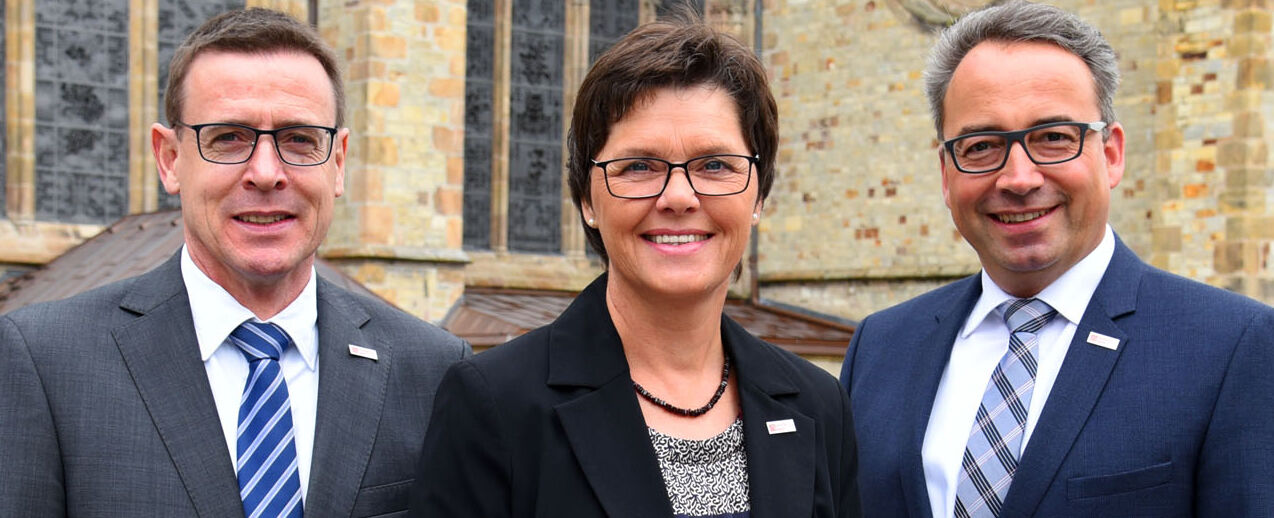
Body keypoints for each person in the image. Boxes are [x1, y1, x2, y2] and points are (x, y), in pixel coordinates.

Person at [0, 8, 469, 517]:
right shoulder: (46, 364)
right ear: (170, 159)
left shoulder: (436, 371)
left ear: (337, 161)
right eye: (228, 138)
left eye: (298, 139)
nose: (266, 173)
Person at [410, 11, 860, 518]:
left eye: (714, 165)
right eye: (639, 166)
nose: (679, 197)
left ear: (759, 194)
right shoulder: (493, 403)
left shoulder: (818, 405)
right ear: (586, 198)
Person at [841, 1, 1274, 517]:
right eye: (981, 146)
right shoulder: (881, 346)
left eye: (1053, 139)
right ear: (945, 172)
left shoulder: (1231, 348)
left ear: (1110, 155)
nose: (1019, 178)